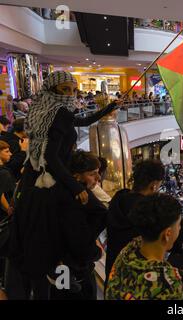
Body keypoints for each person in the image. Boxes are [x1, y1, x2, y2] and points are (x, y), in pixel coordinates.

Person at [7, 71, 120, 300]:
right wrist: (75, 187)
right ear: (52, 91)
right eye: (65, 90)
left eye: (73, 90)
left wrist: (109, 108)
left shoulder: (49, 111)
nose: (70, 94)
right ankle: (68, 262)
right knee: (94, 212)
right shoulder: (57, 112)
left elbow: (81, 120)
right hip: (50, 180)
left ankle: (60, 269)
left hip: (38, 180)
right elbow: (51, 157)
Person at [48, 150, 107, 300]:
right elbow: (79, 243)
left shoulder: (57, 192)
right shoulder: (75, 202)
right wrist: (96, 253)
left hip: (60, 270)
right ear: (76, 176)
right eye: (92, 173)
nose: (98, 178)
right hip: (75, 273)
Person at [105, 194, 183, 300]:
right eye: (179, 225)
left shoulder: (128, 250)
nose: (180, 229)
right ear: (167, 234)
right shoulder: (168, 283)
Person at [105, 159, 165, 285]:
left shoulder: (118, 198)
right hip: (136, 280)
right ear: (153, 185)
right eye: (159, 185)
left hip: (113, 271)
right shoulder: (148, 211)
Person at [0, 141, 14, 219]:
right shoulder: (3, 173)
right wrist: (10, 212)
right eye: (7, 151)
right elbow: (1, 196)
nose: (10, 154)